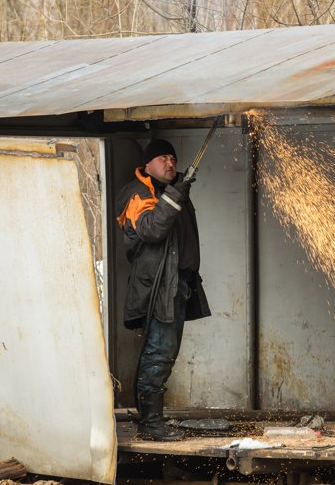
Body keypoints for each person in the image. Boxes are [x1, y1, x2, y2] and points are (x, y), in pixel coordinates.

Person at [116, 139, 211, 442]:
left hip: (177, 284)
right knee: (157, 354)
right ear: (147, 165)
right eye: (162, 158)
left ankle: (153, 421)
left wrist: (176, 194)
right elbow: (151, 230)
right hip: (158, 287)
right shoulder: (138, 194)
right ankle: (151, 424)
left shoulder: (169, 193)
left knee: (165, 354)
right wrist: (174, 196)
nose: (170, 163)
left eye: (172, 157)